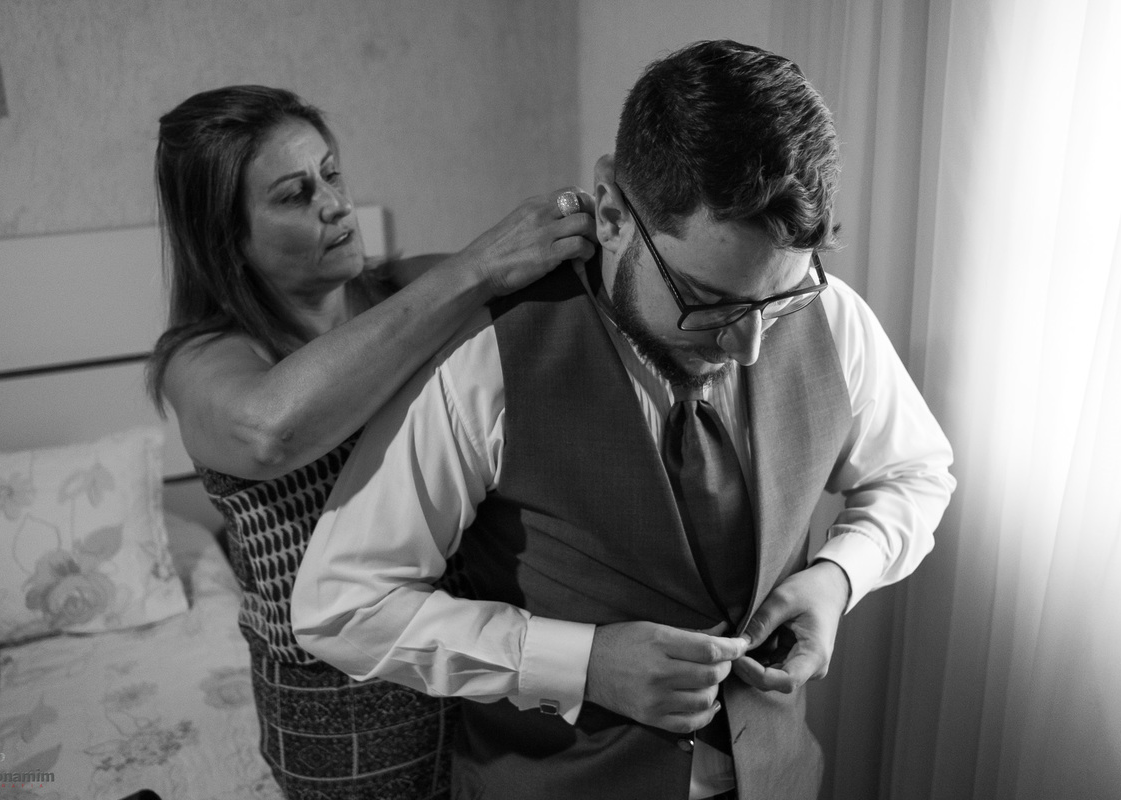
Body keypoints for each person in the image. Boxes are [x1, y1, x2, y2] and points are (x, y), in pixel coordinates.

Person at [291, 40, 955, 800]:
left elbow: (915, 472)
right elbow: (341, 603)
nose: (749, 345)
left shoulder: (833, 318)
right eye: (708, 301)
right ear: (612, 214)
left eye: (780, 299)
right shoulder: (484, 360)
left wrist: (839, 577)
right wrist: (581, 664)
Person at [145, 84, 595, 800]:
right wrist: (477, 267)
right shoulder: (201, 359)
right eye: (295, 195)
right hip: (336, 706)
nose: (335, 204)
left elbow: (566, 282)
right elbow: (270, 432)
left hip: (476, 652)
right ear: (227, 238)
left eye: (331, 173)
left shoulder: (407, 289)